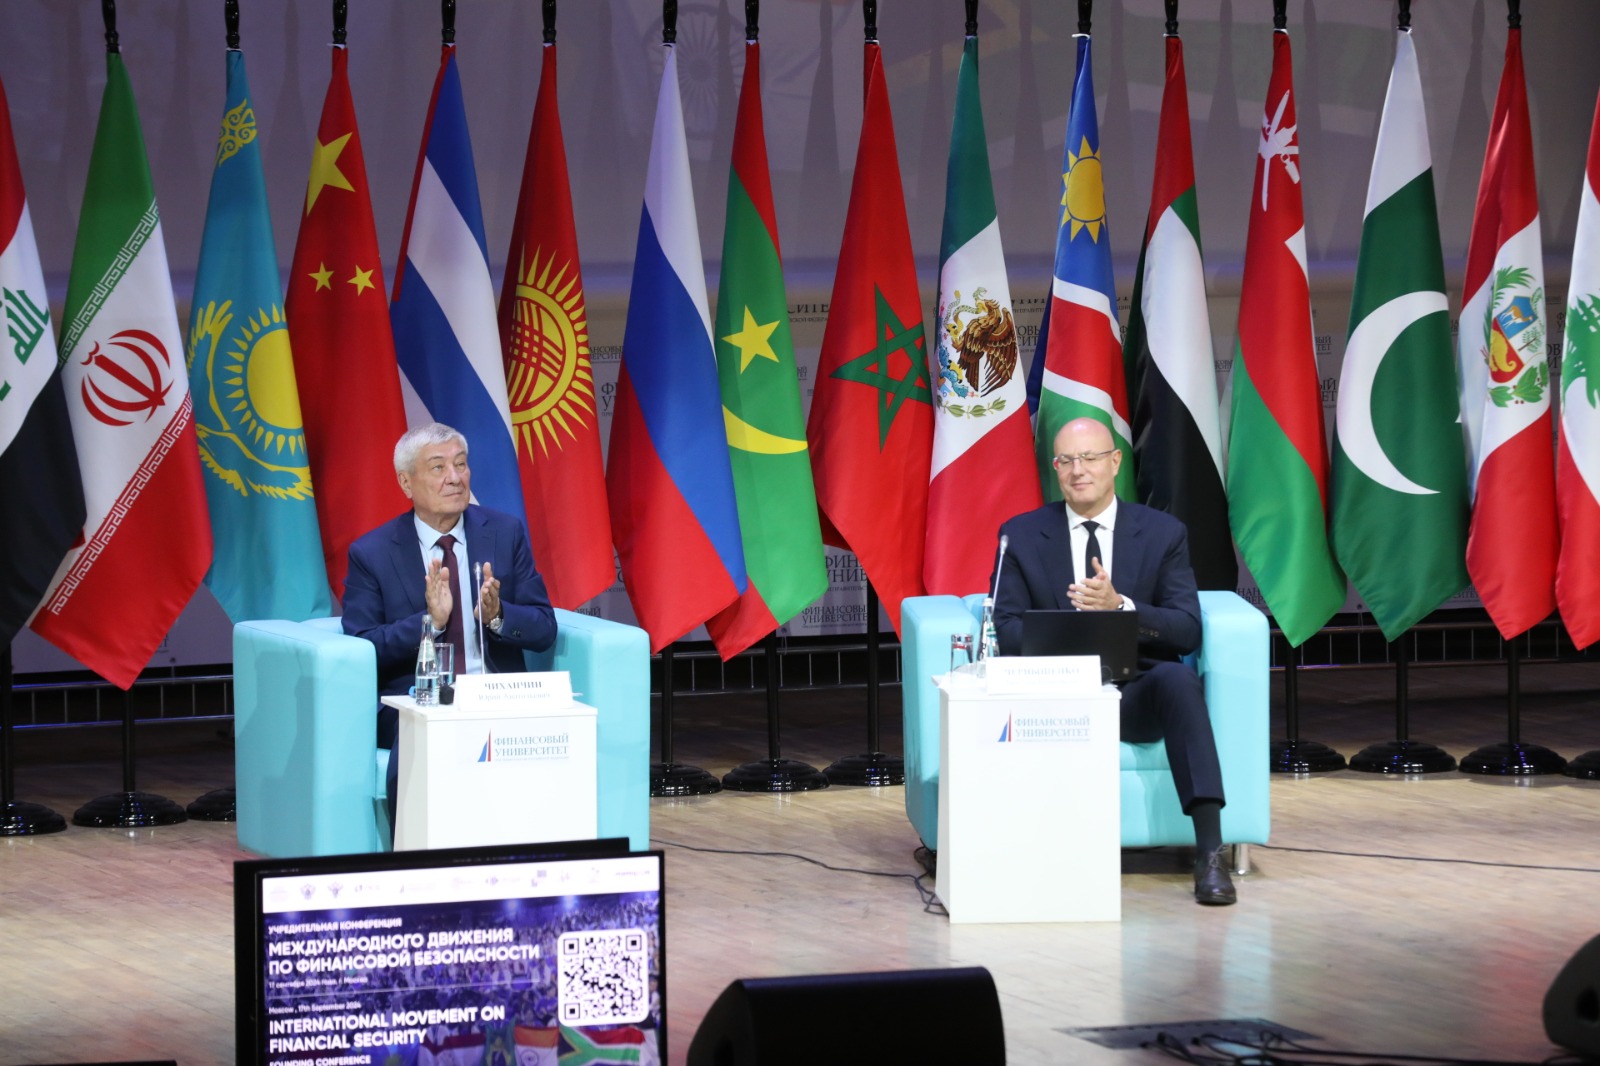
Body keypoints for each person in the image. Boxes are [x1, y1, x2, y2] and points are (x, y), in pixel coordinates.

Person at [991, 417, 1235, 905]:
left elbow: (1186, 628)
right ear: (1055, 468)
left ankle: (1210, 851)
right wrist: (1072, 632)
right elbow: (1007, 628)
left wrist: (1119, 607)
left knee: (1178, 681)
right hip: (1056, 695)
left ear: (1116, 462)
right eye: (1066, 460)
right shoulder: (1020, 535)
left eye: (1090, 458)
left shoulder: (1163, 533)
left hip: (1134, 693)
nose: (1078, 470)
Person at [343, 422, 558, 829]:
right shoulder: (372, 553)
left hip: (498, 695)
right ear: (406, 482)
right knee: (421, 738)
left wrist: (498, 616)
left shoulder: (505, 533)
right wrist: (430, 624)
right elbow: (362, 647)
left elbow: (544, 628)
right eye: (438, 467)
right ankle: (415, 856)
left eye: (461, 464)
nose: (455, 478)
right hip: (418, 700)